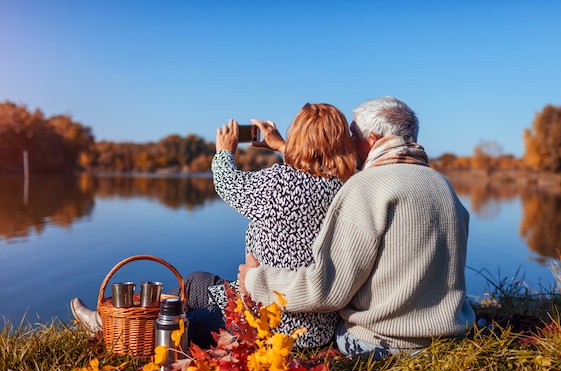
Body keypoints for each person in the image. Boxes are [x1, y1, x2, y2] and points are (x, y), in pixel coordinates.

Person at [71, 103, 357, 349]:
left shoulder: (279, 182)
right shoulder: (348, 188)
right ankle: (136, 316)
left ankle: (111, 328)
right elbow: (316, 166)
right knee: (195, 281)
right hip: (318, 329)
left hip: (268, 328)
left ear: (299, 139)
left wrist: (224, 152)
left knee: (183, 326)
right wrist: (280, 146)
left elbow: (227, 184)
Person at [237, 96, 476, 359]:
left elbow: (326, 290)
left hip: (384, 343)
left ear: (372, 140)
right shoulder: (442, 186)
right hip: (450, 336)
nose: (346, 143)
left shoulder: (366, 187)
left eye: (352, 134)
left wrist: (254, 280)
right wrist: (287, 146)